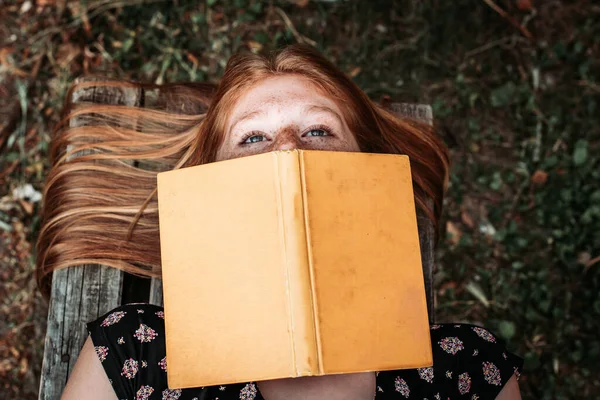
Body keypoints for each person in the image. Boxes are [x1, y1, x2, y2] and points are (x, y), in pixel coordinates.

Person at [37, 44, 523, 399]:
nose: (289, 149)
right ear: (211, 182)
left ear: (368, 165)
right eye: (252, 139)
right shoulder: (129, 354)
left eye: (318, 129)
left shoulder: (471, 368)